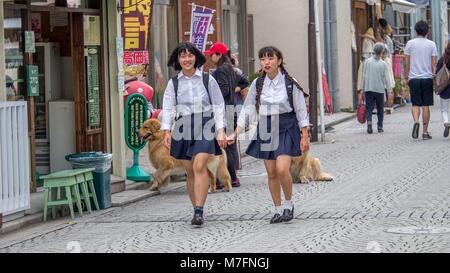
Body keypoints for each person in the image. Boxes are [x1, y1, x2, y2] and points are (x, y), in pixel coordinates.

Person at [228, 46, 310, 224]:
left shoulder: (289, 82)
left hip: (287, 126)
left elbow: (301, 110)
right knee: (271, 172)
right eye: (263, 59)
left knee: (282, 169)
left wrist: (304, 134)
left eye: (270, 58)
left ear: (279, 61)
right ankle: (278, 209)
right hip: (266, 127)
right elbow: (248, 109)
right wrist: (236, 132)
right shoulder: (258, 83)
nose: (266, 62)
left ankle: (289, 204)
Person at [161, 42, 227, 227]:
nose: (187, 59)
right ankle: (196, 211)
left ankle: (199, 209)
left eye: (190, 55)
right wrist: (166, 130)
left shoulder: (207, 79)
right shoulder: (173, 83)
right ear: (178, 59)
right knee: (190, 171)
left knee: (199, 165)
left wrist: (221, 130)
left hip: (206, 123)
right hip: (182, 126)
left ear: (196, 58)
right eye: (182, 56)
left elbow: (219, 105)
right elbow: (168, 107)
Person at [204, 42, 241, 188]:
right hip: (231, 109)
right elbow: (240, 83)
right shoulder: (230, 68)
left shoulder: (220, 70)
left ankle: (230, 178)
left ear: (218, 55)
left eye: (211, 54)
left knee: (225, 146)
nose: (209, 57)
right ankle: (233, 178)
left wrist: (211, 95)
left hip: (225, 111)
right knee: (229, 147)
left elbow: (224, 90)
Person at [405, 21, 438, 140]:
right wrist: (435, 79)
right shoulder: (432, 44)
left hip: (414, 78)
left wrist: (406, 76)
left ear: (416, 30)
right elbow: (434, 64)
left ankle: (415, 122)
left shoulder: (410, 43)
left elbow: (407, 62)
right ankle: (425, 132)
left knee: (415, 104)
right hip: (427, 78)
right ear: (427, 31)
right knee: (425, 105)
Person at [359, 43, 395, 134]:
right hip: (379, 89)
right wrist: (390, 90)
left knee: (369, 108)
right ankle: (379, 126)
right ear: (382, 52)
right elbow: (387, 78)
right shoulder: (383, 64)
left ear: (374, 51)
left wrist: (362, 89)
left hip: (369, 88)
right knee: (380, 108)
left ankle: (369, 123)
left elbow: (363, 76)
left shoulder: (367, 62)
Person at [435, 42, 450, 138]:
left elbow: (437, 73)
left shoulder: (443, 59)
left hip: (445, 88)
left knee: (444, 109)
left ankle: (446, 122)